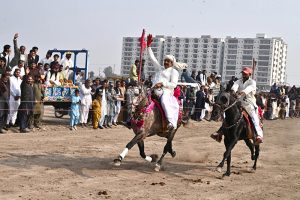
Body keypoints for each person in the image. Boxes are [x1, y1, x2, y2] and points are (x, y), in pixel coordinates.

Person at [211, 67, 264, 144]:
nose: (243, 75)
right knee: (227, 114)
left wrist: (241, 93)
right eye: (243, 73)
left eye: (245, 74)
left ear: (249, 74)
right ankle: (220, 132)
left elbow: (248, 89)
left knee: (254, 118)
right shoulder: (238, 81)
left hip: (249, 103)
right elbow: (234, 87)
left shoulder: (252, 82)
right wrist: (233, 91)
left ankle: (259, 135)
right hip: (238, 102)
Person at [147, 34, 187, 130]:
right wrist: (148, 46)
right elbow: (153, 59)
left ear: (172, 63)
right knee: (139, 97)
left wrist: (162, 84)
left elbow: (173, 85)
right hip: (153, 90)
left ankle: (170, 122)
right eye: (165, 61)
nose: (165, 63)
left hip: (166, 93)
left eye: (168, 61)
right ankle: (132, 119)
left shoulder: (174, 72)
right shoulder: (160, 68)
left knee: (164, 101)